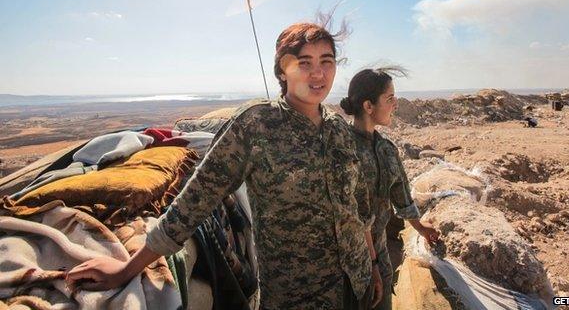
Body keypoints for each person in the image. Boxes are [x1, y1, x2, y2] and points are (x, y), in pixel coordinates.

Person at [66, 22, 382, 309]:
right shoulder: (257, 125)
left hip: (355, 285)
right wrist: (126, 269)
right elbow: (195, 201)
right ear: (283, 71)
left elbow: (358, 206)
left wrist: (372, 266)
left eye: (326, 62)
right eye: (305, 63)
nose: (318, 74)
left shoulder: (339, 129)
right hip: (297, 297)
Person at [340, 67, 440, 310]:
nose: (396, 104)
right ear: (368, 106)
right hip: (351, 258)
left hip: (380, 251)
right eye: (390, 98)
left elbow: (401, 193)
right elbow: (355, 214)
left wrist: (419, 226)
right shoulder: (344, 149)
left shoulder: (386, 148)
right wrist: (372, 264)